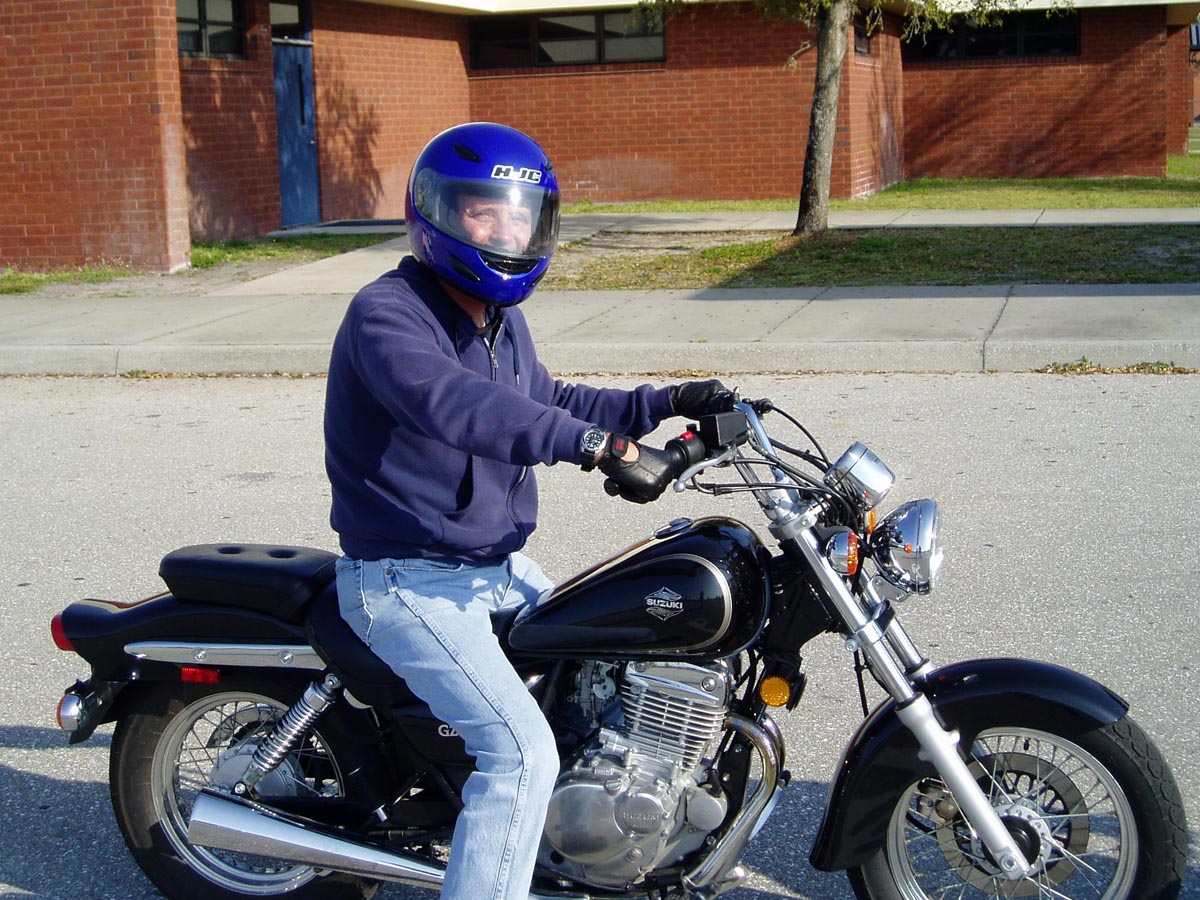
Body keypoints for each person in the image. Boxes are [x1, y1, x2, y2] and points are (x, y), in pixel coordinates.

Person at [323, 122, 729, 900]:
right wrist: (597, 448)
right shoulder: (388, 314)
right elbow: (454, 404)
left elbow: (547, 398)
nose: (507, 232)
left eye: (521, 216)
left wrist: (668, 400)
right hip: (405, 581)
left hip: (492, 569)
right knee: (520, 754)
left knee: (613, 669)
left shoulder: (497, 320)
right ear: (437, 213)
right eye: (485, 213)